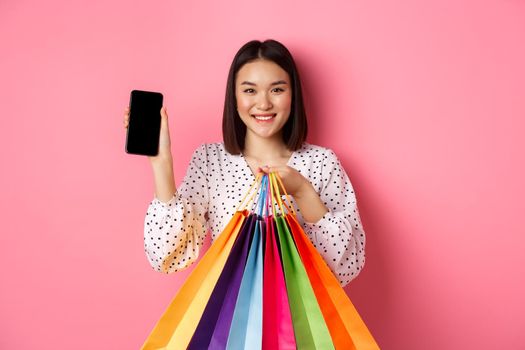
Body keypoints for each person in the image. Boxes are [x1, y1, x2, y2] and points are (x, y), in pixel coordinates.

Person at [123, 39, 366, 287]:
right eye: (250, 90)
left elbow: (345, 267)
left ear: (293, 95)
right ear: (234, 96)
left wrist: (303, 192)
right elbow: (166, 256)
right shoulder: (210, 161)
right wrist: (161, 162)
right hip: (230, 322)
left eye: (277, 89)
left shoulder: (321, 163)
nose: (263, 104)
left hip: (301, 324)